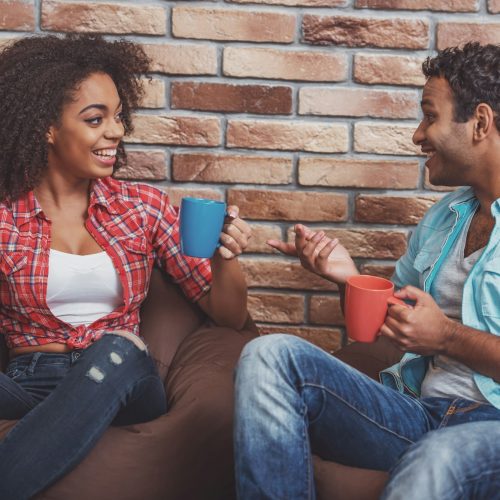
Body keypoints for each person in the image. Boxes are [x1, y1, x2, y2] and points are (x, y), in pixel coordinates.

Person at [233, 41, 500, 499]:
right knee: (270, 355)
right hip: (421, 412)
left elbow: (437, 335)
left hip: (489, 432)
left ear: (479, 122)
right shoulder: (443, 219)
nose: (418, 135)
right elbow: (383, 335)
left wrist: (448, 337)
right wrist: (348, 278)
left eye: (429, 116)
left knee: (437, 457)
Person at [0, 34, 251, 499]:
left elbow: (229, 316)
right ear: (46, 128)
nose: (116, 131)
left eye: (118, 116)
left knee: (117, 350)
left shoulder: (143, 209)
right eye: (96, 120)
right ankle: (51, 436)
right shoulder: (4, 220)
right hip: (31, 379)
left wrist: (225, 259)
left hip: (122, 378)